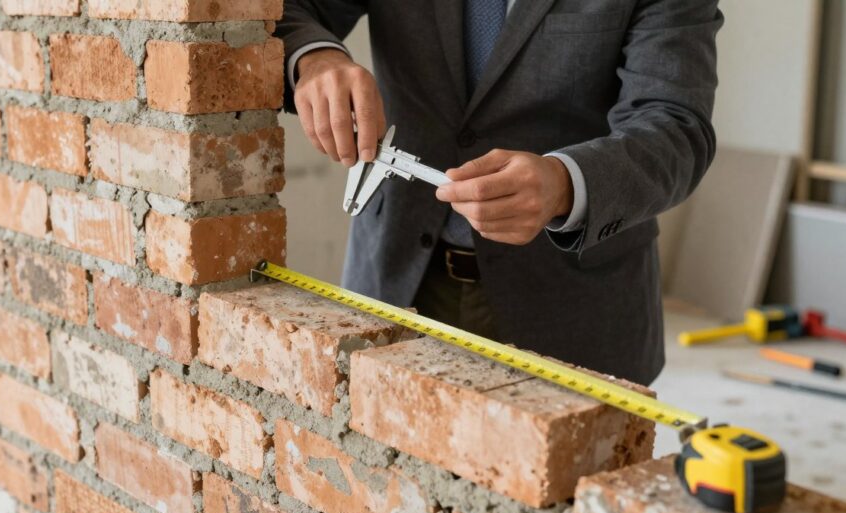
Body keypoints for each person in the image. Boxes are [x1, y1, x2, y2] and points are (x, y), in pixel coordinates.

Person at [275, 0, 723, 384]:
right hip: (394, 279)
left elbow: (677, 127)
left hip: (576, 309)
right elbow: (285, 8)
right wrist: (314, 57)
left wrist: (566, 183)